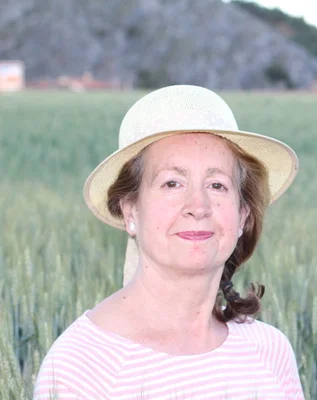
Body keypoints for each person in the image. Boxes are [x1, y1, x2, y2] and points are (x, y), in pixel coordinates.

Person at [33, 85, 303, 399]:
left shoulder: (270, 351)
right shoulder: (83, 368)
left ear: (243, 215)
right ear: (131, 210)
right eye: (172, 183)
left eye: (217, 185)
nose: (198, 205)